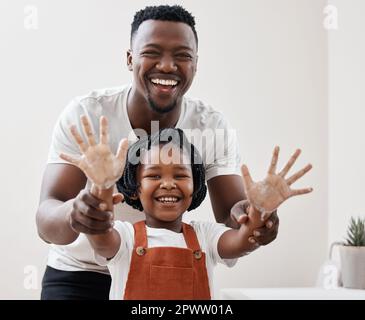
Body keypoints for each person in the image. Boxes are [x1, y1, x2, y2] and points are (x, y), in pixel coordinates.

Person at [37, 5, 285, 300]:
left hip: (161, 272)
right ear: (130, 59)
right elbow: (46, 218)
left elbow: (235, 218)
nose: (167, 66)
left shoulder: (211, 127)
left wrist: (257, 218)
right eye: (152, 52)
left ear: (195, 64)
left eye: (182, 56)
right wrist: (74, 214)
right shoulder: (87, 116)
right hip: (81, 273)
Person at [59, 117, 312, 299]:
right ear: (135, 188)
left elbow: (244, 241)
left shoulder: (205, 236)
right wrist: (103, 184)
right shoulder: (125, 237)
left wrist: (260, 210)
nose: (168, 184)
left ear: (195, 186)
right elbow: (100, 233)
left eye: (180, 175)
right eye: (154, 176)